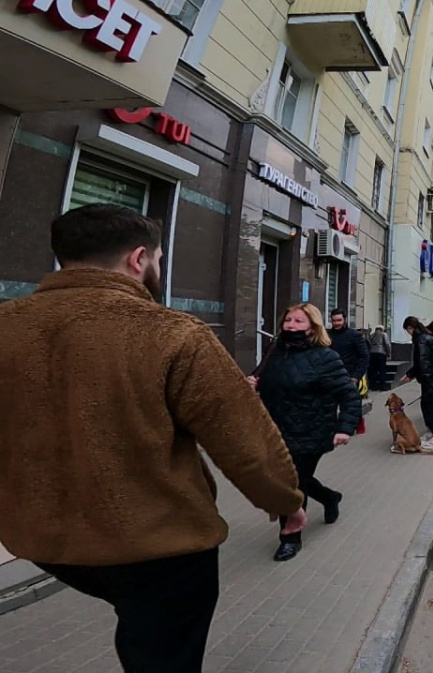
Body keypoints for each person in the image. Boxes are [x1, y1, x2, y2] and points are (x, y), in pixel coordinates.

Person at [0, 203, 307, 673]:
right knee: (161, 654)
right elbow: (245, 441)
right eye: (159, 259)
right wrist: (286, 502)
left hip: (45, 541)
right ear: (138, 258)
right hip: (159, 546)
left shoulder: (8, 323)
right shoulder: (172, 333)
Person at [249, 303, 362, 562]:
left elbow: (348, 394)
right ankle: (330, 497)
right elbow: (262, 379)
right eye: (288, 320)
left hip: (311, 432)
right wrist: (253, 382)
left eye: (299, 321)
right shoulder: (274, 351)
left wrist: (345, 428)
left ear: (313, 326)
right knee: (297, 479)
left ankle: (290, 538)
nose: (291, 325)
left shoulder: (325, 357)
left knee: (293, 482)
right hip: (275, 430)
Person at [399, 316, 433, 451]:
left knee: (429, 406)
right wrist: (411, 374)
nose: (408, 333)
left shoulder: (421, 340)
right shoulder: (428, 337)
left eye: (407, 330)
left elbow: (422, 363)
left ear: (410, 328)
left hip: (431, 379)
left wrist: (418, 377)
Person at [328, 308, 369, 388]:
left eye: (339, 320)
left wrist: (356, 377)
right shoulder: (327, 335)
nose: (336, 323)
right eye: (334, 320)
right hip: (330, 378)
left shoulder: (354, 335)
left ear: (345, 320)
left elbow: (364, 356)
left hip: (348, 378)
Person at [368, 325, 391, 390]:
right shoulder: (384, 334)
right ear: (382, 329)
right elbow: (387, 344)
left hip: (372, 354)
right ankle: (382, 386)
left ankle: (372, 386)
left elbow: (369, 343)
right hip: (381, 354)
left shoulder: (372, 335)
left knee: (373, 371)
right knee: (382, 370)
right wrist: (388, 353)